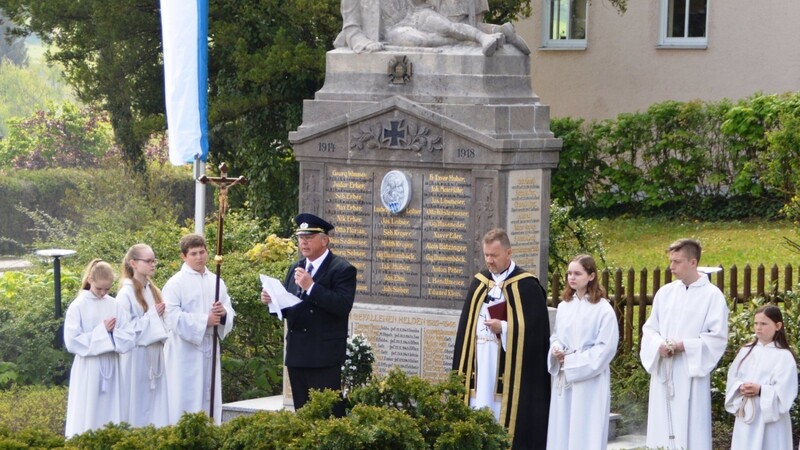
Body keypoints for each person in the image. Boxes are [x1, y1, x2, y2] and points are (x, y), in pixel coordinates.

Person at [452, 228, 551, 450]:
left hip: (506, 371)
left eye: (494, 256)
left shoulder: (527, 286)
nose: (489, 261)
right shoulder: (479, 283)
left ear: (509, 253)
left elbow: (536, 334)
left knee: (500, 418)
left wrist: (504, 328)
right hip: (479, 364)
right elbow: (465, 330)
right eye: (486, 255)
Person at [260, 213, 357, 417]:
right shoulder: (296, 267)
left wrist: (312, 287)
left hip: (324, 355)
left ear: (324, 240)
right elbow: (291, 308)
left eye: (309, 237)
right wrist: (273, 301)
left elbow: (342, 306)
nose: (303, 242)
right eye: (301, 238)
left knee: (329, 414)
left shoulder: (342, 269)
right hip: (298, 353)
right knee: (303, 414)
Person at [639, 238, 729, 450]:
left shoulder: (712, 296)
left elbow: (717, 338)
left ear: (693, 262)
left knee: (690, 430)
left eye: (677, 261)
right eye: (671, 261)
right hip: (665, 371)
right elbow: (650, 329)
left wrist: (683, 345)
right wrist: (659, 344)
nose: (671, 267)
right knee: (663, 426)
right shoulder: (666, 293)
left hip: (690, 372)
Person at [546, 254, 618, 450]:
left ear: (591, 276)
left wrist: (572, 362)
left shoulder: (603, 309)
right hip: (563, 379)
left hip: (590, 380)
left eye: (577, 273)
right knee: (562, 429)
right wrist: (557, 350)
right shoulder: (564, 306)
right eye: (569, 273)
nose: (572, 277)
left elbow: (606, 347)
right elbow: (556, 336)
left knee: (585, 429)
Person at [163, 234, 235, 424]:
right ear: (184, 256)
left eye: (202, 252)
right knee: (186, 396)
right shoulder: (175, 283)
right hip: (184, 351)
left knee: (209, 397)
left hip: (210, 347)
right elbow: (171, 317)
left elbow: (228, 309)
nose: (199, 257)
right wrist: (205, 321)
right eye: (193, 253)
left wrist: (223, 314)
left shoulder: (216, 280)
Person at [64, 259, 134, 438]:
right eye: (99, 289)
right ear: (90, 280)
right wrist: (102, 332)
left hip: (112, 364)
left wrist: (112, 334)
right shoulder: (78, 305)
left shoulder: (114, 304)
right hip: (89, 366)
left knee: (111, 409)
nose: (103, 293)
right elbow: (72, 341)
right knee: (88, 410)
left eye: (107, 289)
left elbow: (129, 336)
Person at [725, 305, 797, 450]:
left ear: (778, 326)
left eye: (763, 324)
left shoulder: (784, 356)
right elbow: (733, 377)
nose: (758, 328)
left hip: (770, 419)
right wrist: (740, 387)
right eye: (756, 323)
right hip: (747, 414)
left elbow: (786, 391)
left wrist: (761, 390)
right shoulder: (746, 351)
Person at [117, 244, 169, 427]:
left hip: (155, 355)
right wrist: (153, 315)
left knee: (156, 405)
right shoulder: (126, 293)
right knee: (139, 405)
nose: (153, 264)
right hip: (137, 358)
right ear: (134, 263)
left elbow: (164, 324)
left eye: (154, 260)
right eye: (148, 261)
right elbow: (124, 329)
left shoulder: (152, 289)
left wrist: (159, 316)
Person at [335, 0, 505, 56]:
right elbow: (351, 28)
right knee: (421, 40)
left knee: (447, 26)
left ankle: (484, 38)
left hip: (414, 14)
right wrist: (364, 43)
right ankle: (480, 36)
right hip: (393, 30)